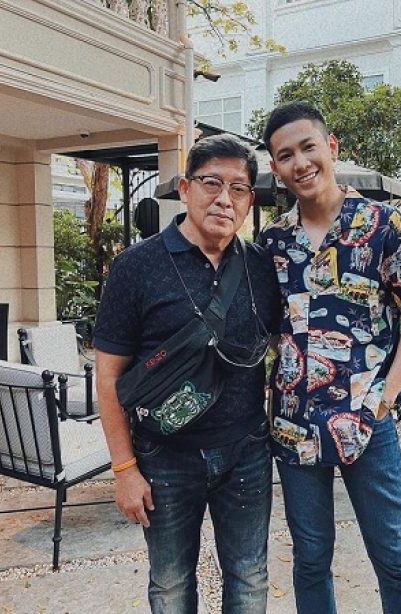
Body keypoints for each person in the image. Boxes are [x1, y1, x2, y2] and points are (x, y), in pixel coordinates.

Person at [258, 101, 401, 614]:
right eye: (285, 155)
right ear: (275, 168)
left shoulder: (385, 225)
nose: (300, 163)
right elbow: (270, 328)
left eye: (308, 147)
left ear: (330, 147)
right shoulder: (273, 241)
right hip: (294, 425)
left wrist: (385, 398)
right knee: (311, 558)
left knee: (393, 557)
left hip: (367, 419)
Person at [94, 133, 280, 614]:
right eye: (211, 183)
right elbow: (108, 377)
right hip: (164, 456)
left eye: (238, 188)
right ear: (185, 188)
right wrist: (124, 469)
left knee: (250, 577)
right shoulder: (135, 267)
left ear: (249, 200)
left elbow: (289, 346)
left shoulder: (261, 267)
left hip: (247, 452)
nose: (224, 199)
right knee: (171, 584)